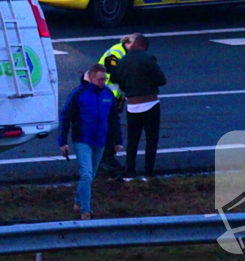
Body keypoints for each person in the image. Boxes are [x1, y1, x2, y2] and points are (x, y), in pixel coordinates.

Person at [59, 63, 121, 219]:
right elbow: (65, 117)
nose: (103, 82)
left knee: (90, 175)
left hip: (100, 141)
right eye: (101, 79)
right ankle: (85, 210)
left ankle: (78, 202)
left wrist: (117, 140)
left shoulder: (108, 94)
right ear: (92, 78)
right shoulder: (78, 94)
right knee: (87, 174)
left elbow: (114, 119)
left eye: (105, 79)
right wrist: (63, 141)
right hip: (82, 140)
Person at [110, 33, 166, 181]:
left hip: (132, 105)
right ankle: (148, 171)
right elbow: (161, 80)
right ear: (144, 46)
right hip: (150, 103)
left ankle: (130, 168)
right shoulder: (148, 58)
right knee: (151, 139)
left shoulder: (122, 61)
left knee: (133, 139)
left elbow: (116, 79)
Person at [98, 35, 132, 178]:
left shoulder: (124, 53)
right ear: (128, 43)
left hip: (113, 97)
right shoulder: (116, 53)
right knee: (106, 129)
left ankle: (109, 158)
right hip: (104, 97)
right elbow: (113, 75)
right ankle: (103, 161)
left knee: (111, 129)